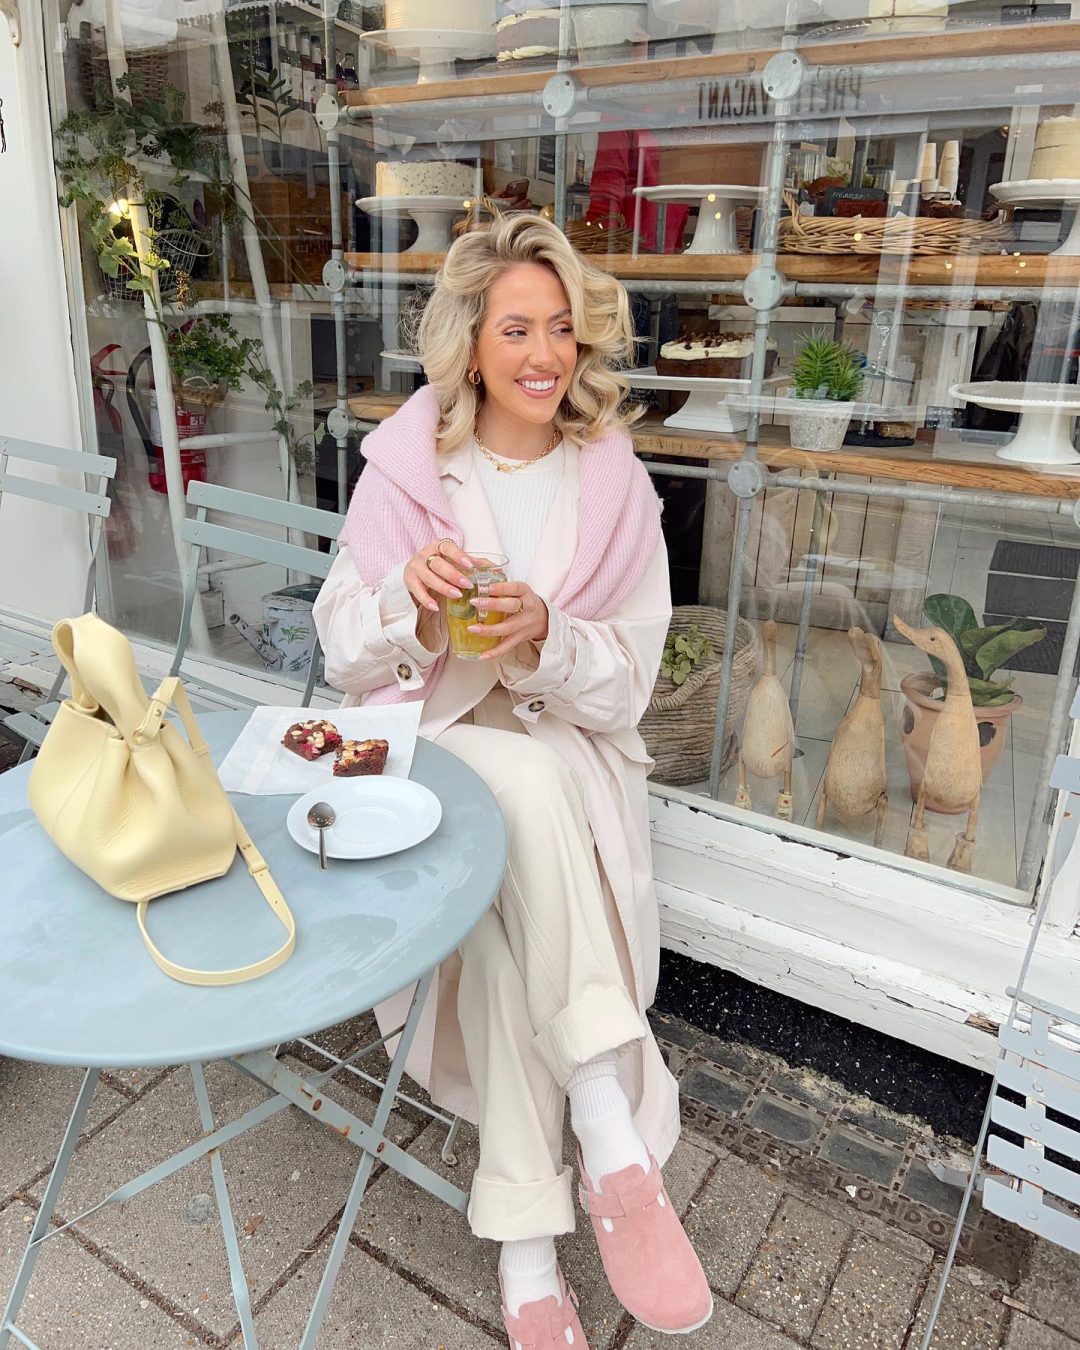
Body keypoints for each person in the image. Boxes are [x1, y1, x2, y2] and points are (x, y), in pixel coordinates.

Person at [313, 213, 712, 1349]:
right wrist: (409, 606)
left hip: (560, 752)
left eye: (563, 330)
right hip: (428, 745)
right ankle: (610, 1124)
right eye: (516, 328)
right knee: (515, 792)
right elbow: (342, 647)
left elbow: (629, 679)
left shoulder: (614, 483)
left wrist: (545, 637)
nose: (545, 354)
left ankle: (529, 1247)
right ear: (473, 346)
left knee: (504, 900)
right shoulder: (409, 469)